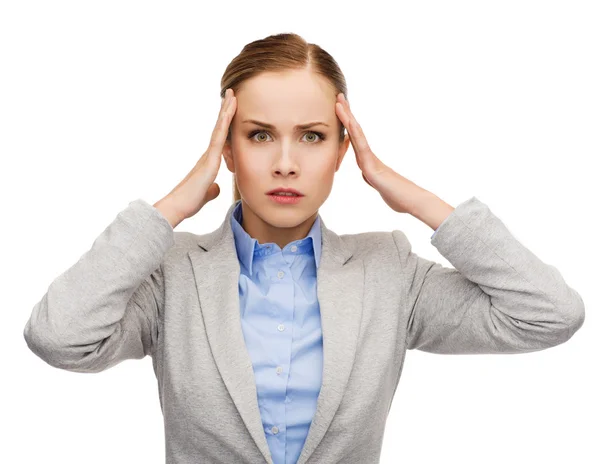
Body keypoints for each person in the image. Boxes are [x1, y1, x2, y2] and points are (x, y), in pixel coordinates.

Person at [23, 32, 585, 464]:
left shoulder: (387, 271)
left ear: (343, 150)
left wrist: (414, 198)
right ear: (225, 147)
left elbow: (548, 316)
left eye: (313, 136)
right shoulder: (170, 274)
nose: (286, 162)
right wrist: (171, 206)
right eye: (259, 134)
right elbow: (59, 337)